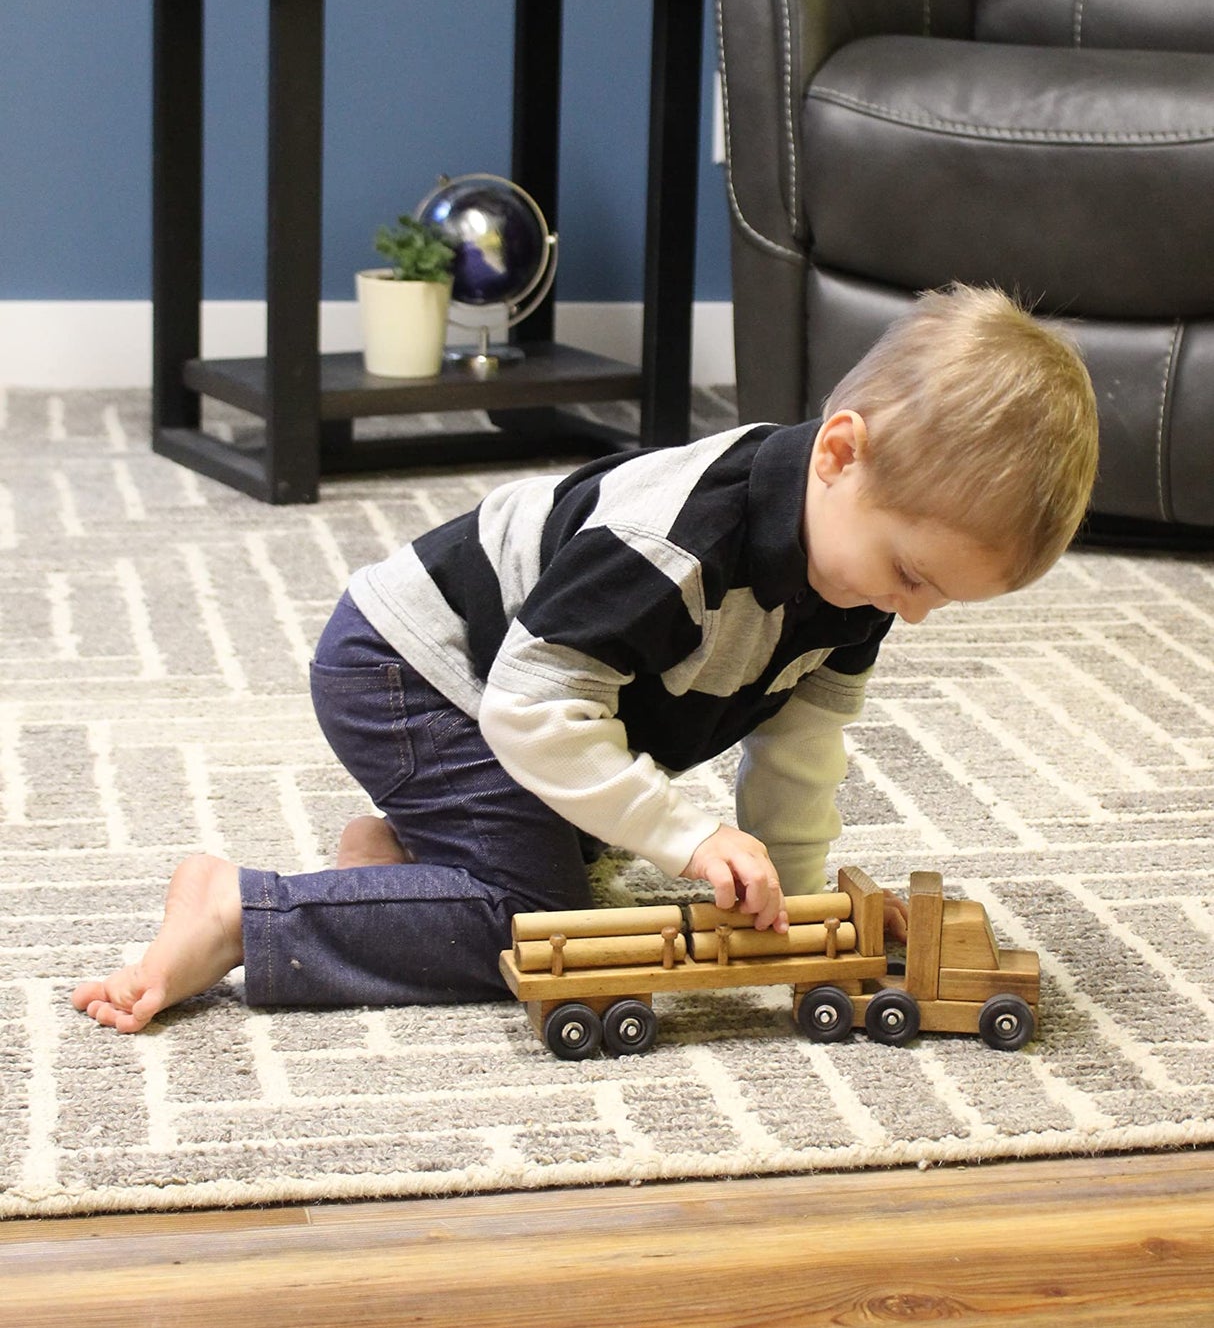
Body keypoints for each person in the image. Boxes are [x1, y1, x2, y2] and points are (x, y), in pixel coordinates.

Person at [71, 284, 1099, 1033]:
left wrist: (799, 915)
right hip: (418, 672)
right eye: (910, 575)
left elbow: (799, 753)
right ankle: (239, 911)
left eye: (938, 597)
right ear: (838, 454)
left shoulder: (856, 583)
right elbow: (530, 709)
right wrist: (688, 835)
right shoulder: (673, 542)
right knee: (540, 927)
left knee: (579, 858)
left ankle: (404, 864)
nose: (911, 613)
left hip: (549, 697)